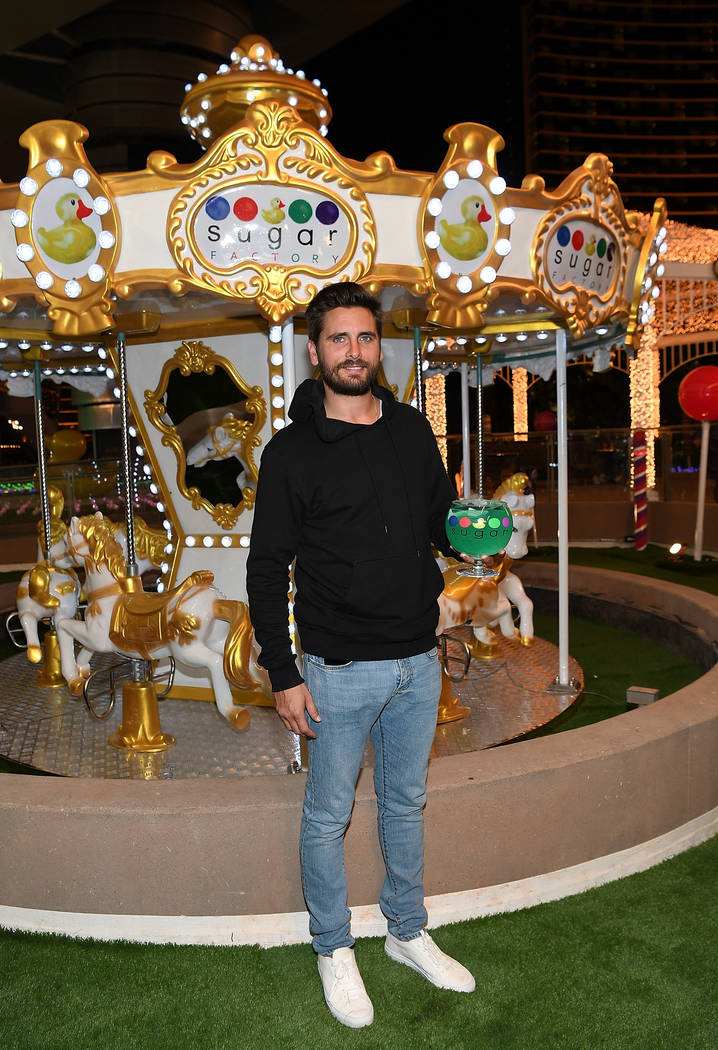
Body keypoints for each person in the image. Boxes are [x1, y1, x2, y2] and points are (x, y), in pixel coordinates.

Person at [246, 281, 476, 1029]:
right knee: (327, 816)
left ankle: (406, 931)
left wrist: (471, 530)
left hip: (418, 660)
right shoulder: (290, 453)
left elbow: (436, 521)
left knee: (406, 802)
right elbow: (265, 569)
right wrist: (283, 674)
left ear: (380, 347)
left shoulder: (412, 429)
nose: (354, 351)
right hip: (338, 668)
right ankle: (333, 946)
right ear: (314, 352)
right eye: (338, 339)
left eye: (365, 338)